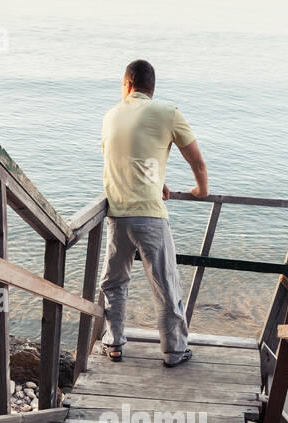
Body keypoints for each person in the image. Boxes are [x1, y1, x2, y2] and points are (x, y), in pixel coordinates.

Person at [98, 59, 209, 367]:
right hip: (149, 215)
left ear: (127, 84)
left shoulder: (110, 116)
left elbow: (122, 160)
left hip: (117, 214)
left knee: (114, 283)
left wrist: (154, 180)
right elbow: (198, 163)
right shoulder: (168, 113)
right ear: (151, 88)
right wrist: (201, 191)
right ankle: (173, 351)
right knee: (164, 284)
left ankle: (114, 343)